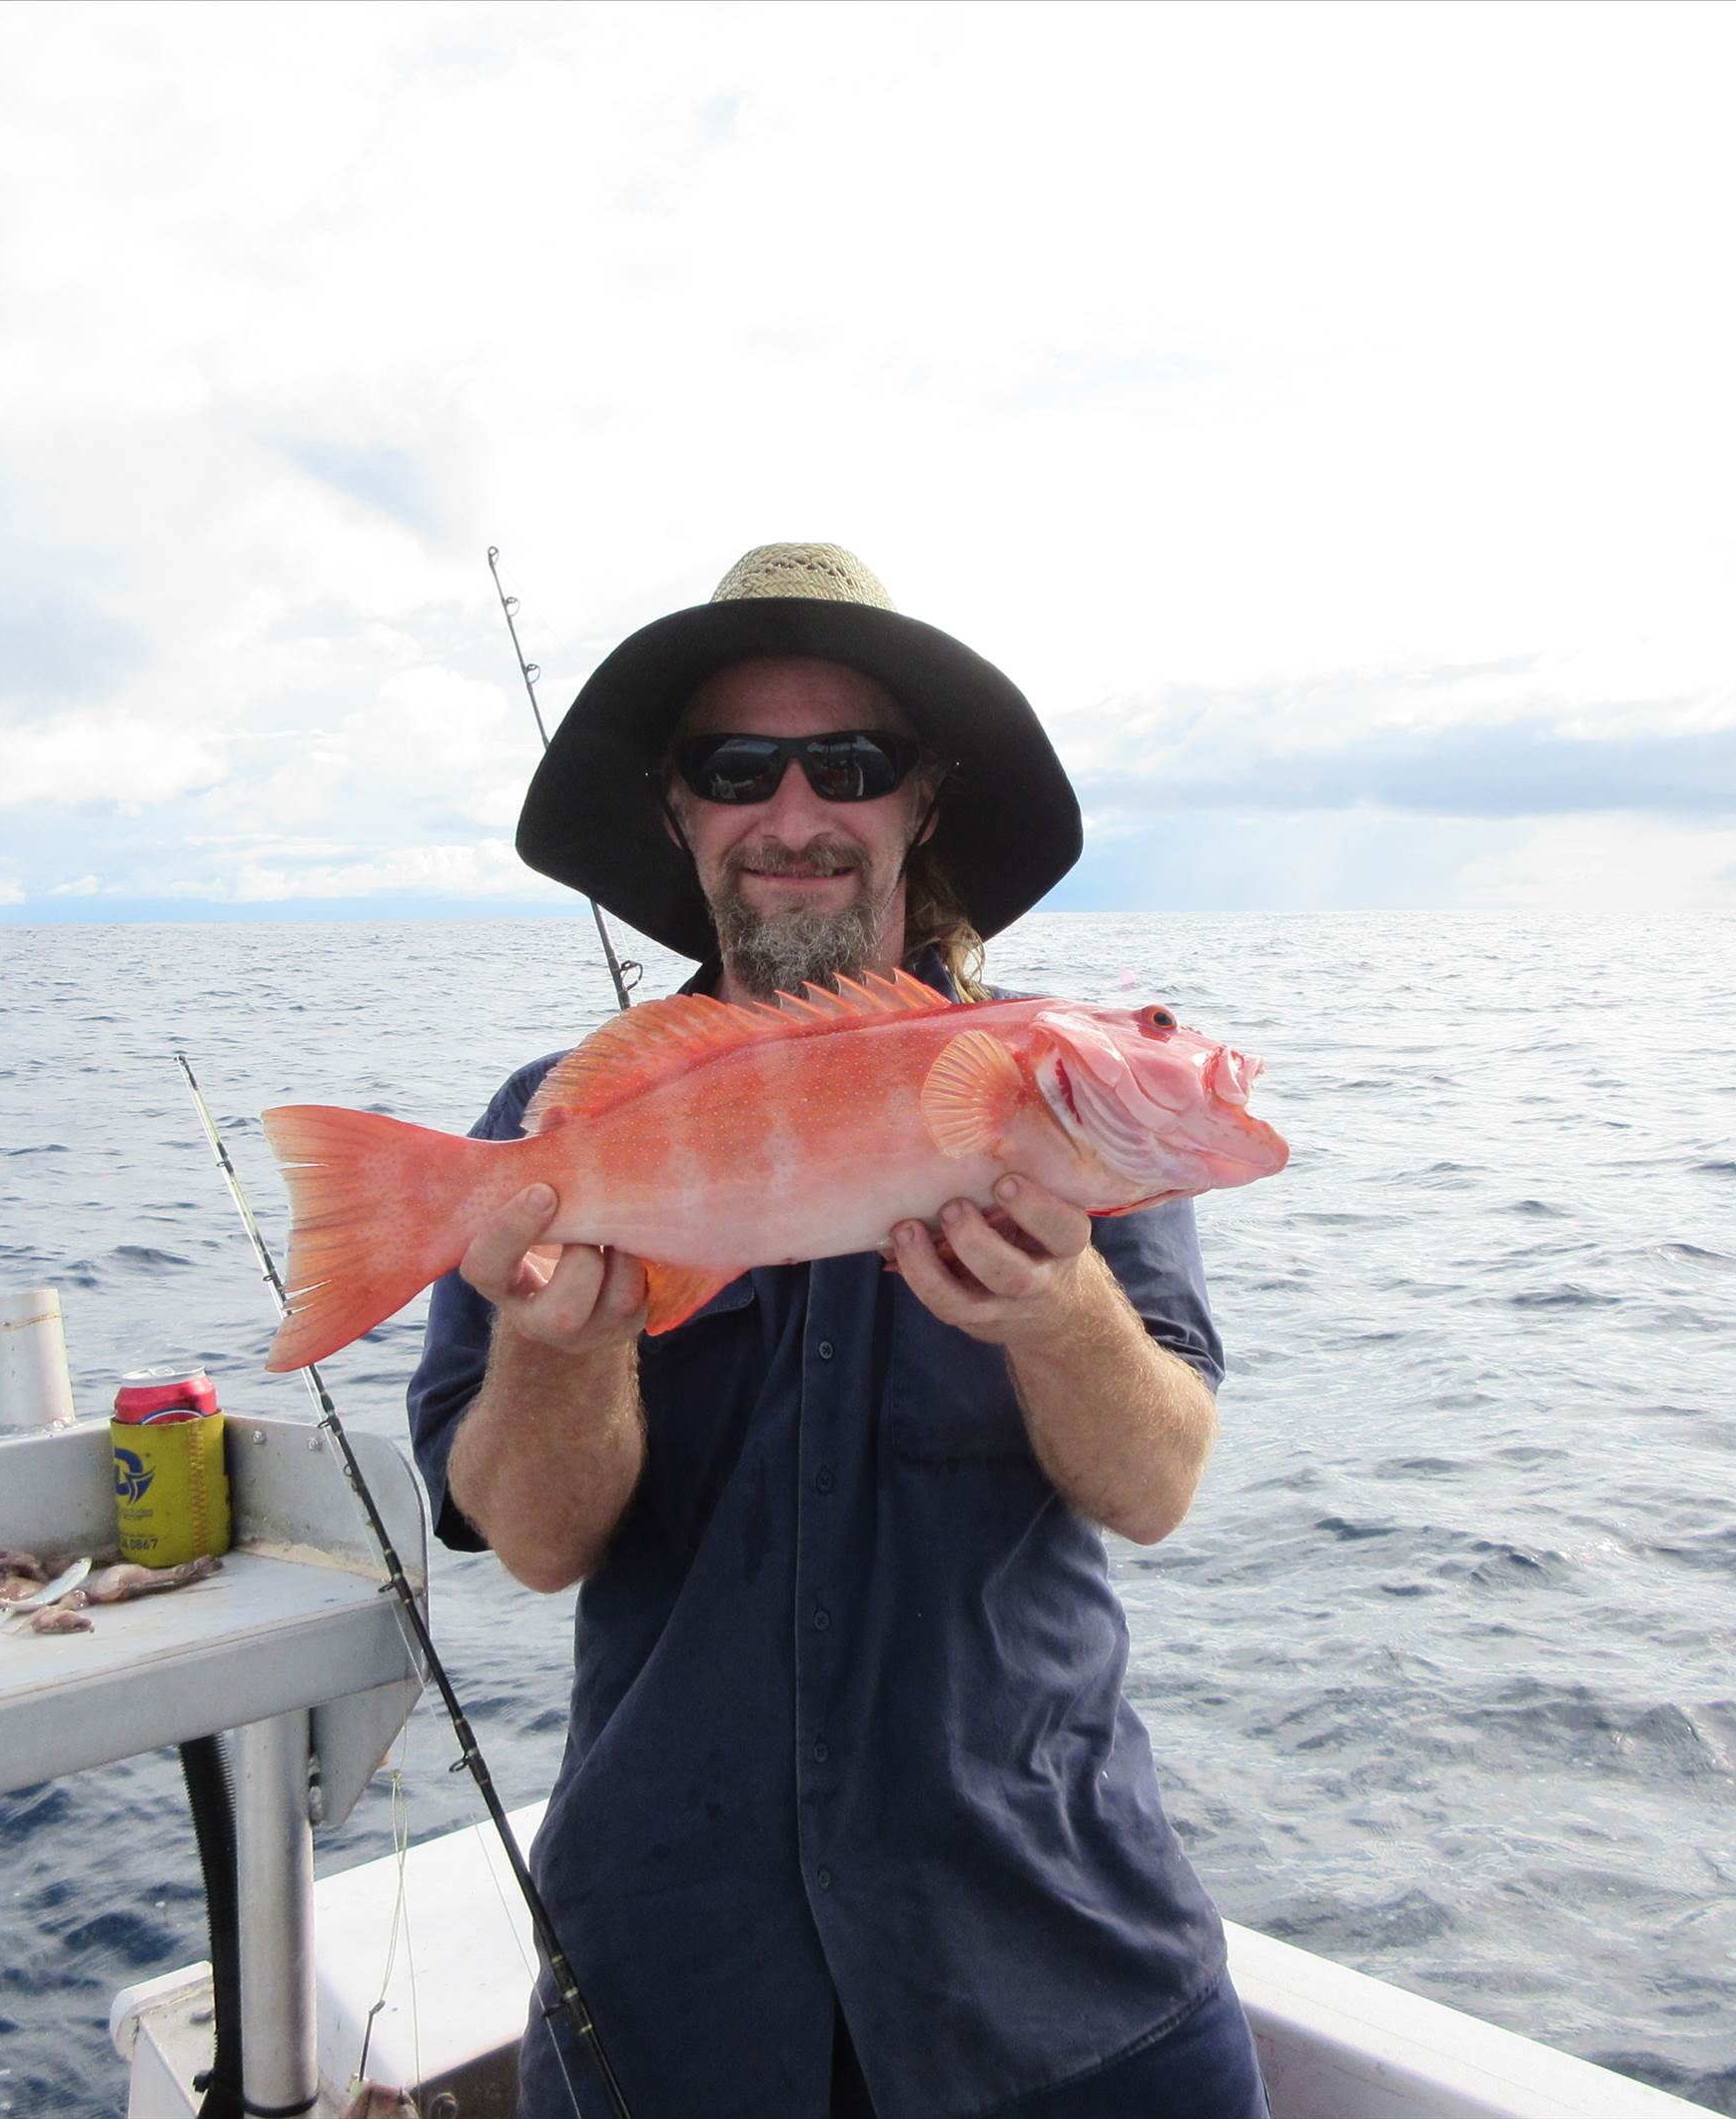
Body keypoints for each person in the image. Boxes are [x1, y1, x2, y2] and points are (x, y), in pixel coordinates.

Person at [407, 543, 1270, 2118]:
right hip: (670, 2014)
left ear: (919, 801)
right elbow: (531, 1540)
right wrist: (562, 1343)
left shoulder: (1066, 1113)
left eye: (850, 763)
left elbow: (1157, 1486)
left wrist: (1060, 1308)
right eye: (740, 768)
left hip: (1057, 1981)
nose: (793, 813)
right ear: (679, 808)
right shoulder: (553, 1124)